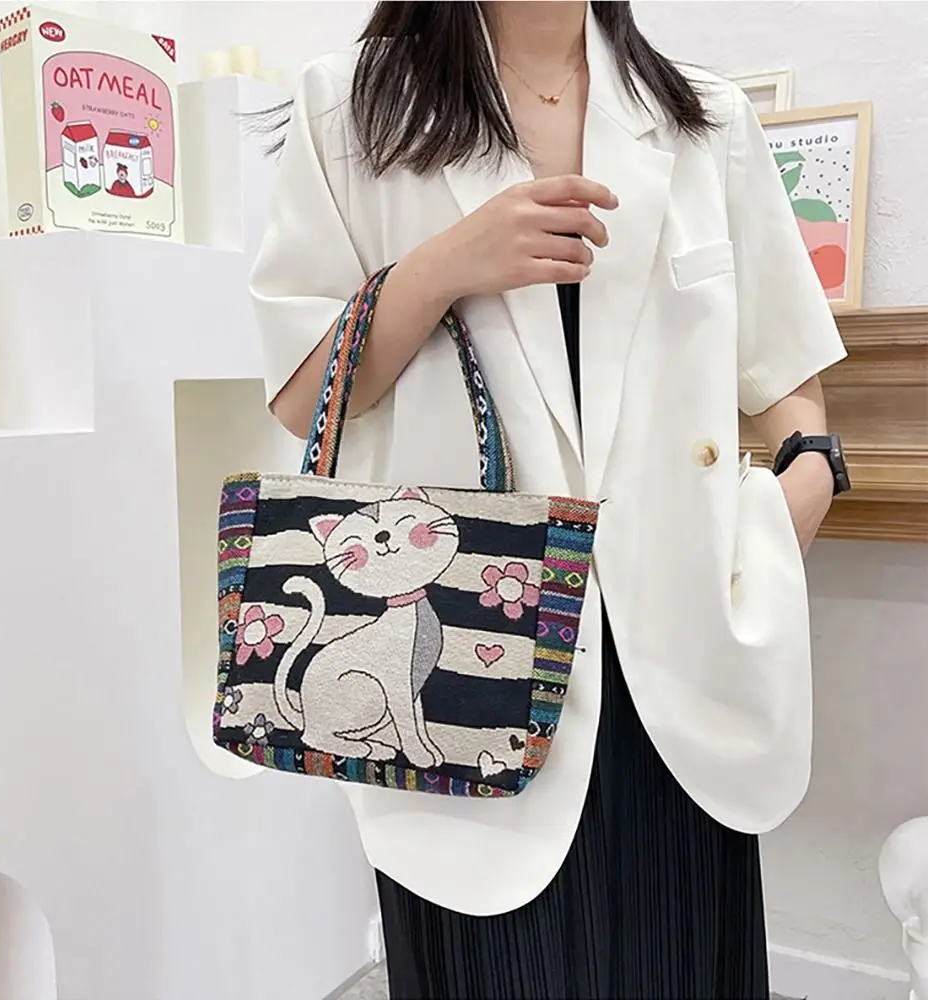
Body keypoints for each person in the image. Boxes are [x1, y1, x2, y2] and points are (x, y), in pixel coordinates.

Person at [250, 2, 849, 997]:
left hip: (679, 661)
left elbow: (788, 375)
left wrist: (808, 481)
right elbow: (304, 396)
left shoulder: (703, 120)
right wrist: (445, 264)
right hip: (462, 665)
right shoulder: (351, 109)